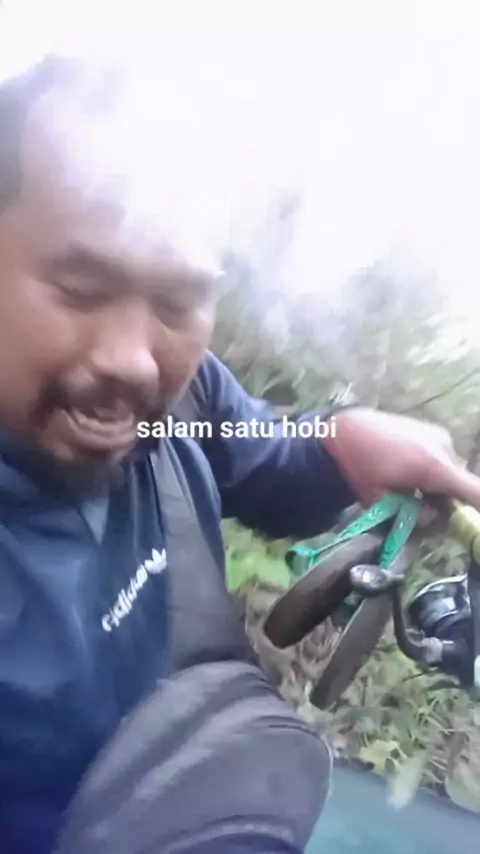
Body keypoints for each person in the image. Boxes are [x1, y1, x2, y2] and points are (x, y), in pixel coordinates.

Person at [1, 53, 480, 854]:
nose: (135, 360)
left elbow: (273, 464)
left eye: (178, 301)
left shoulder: (182, 407)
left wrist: (340, 441)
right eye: (81, 290)